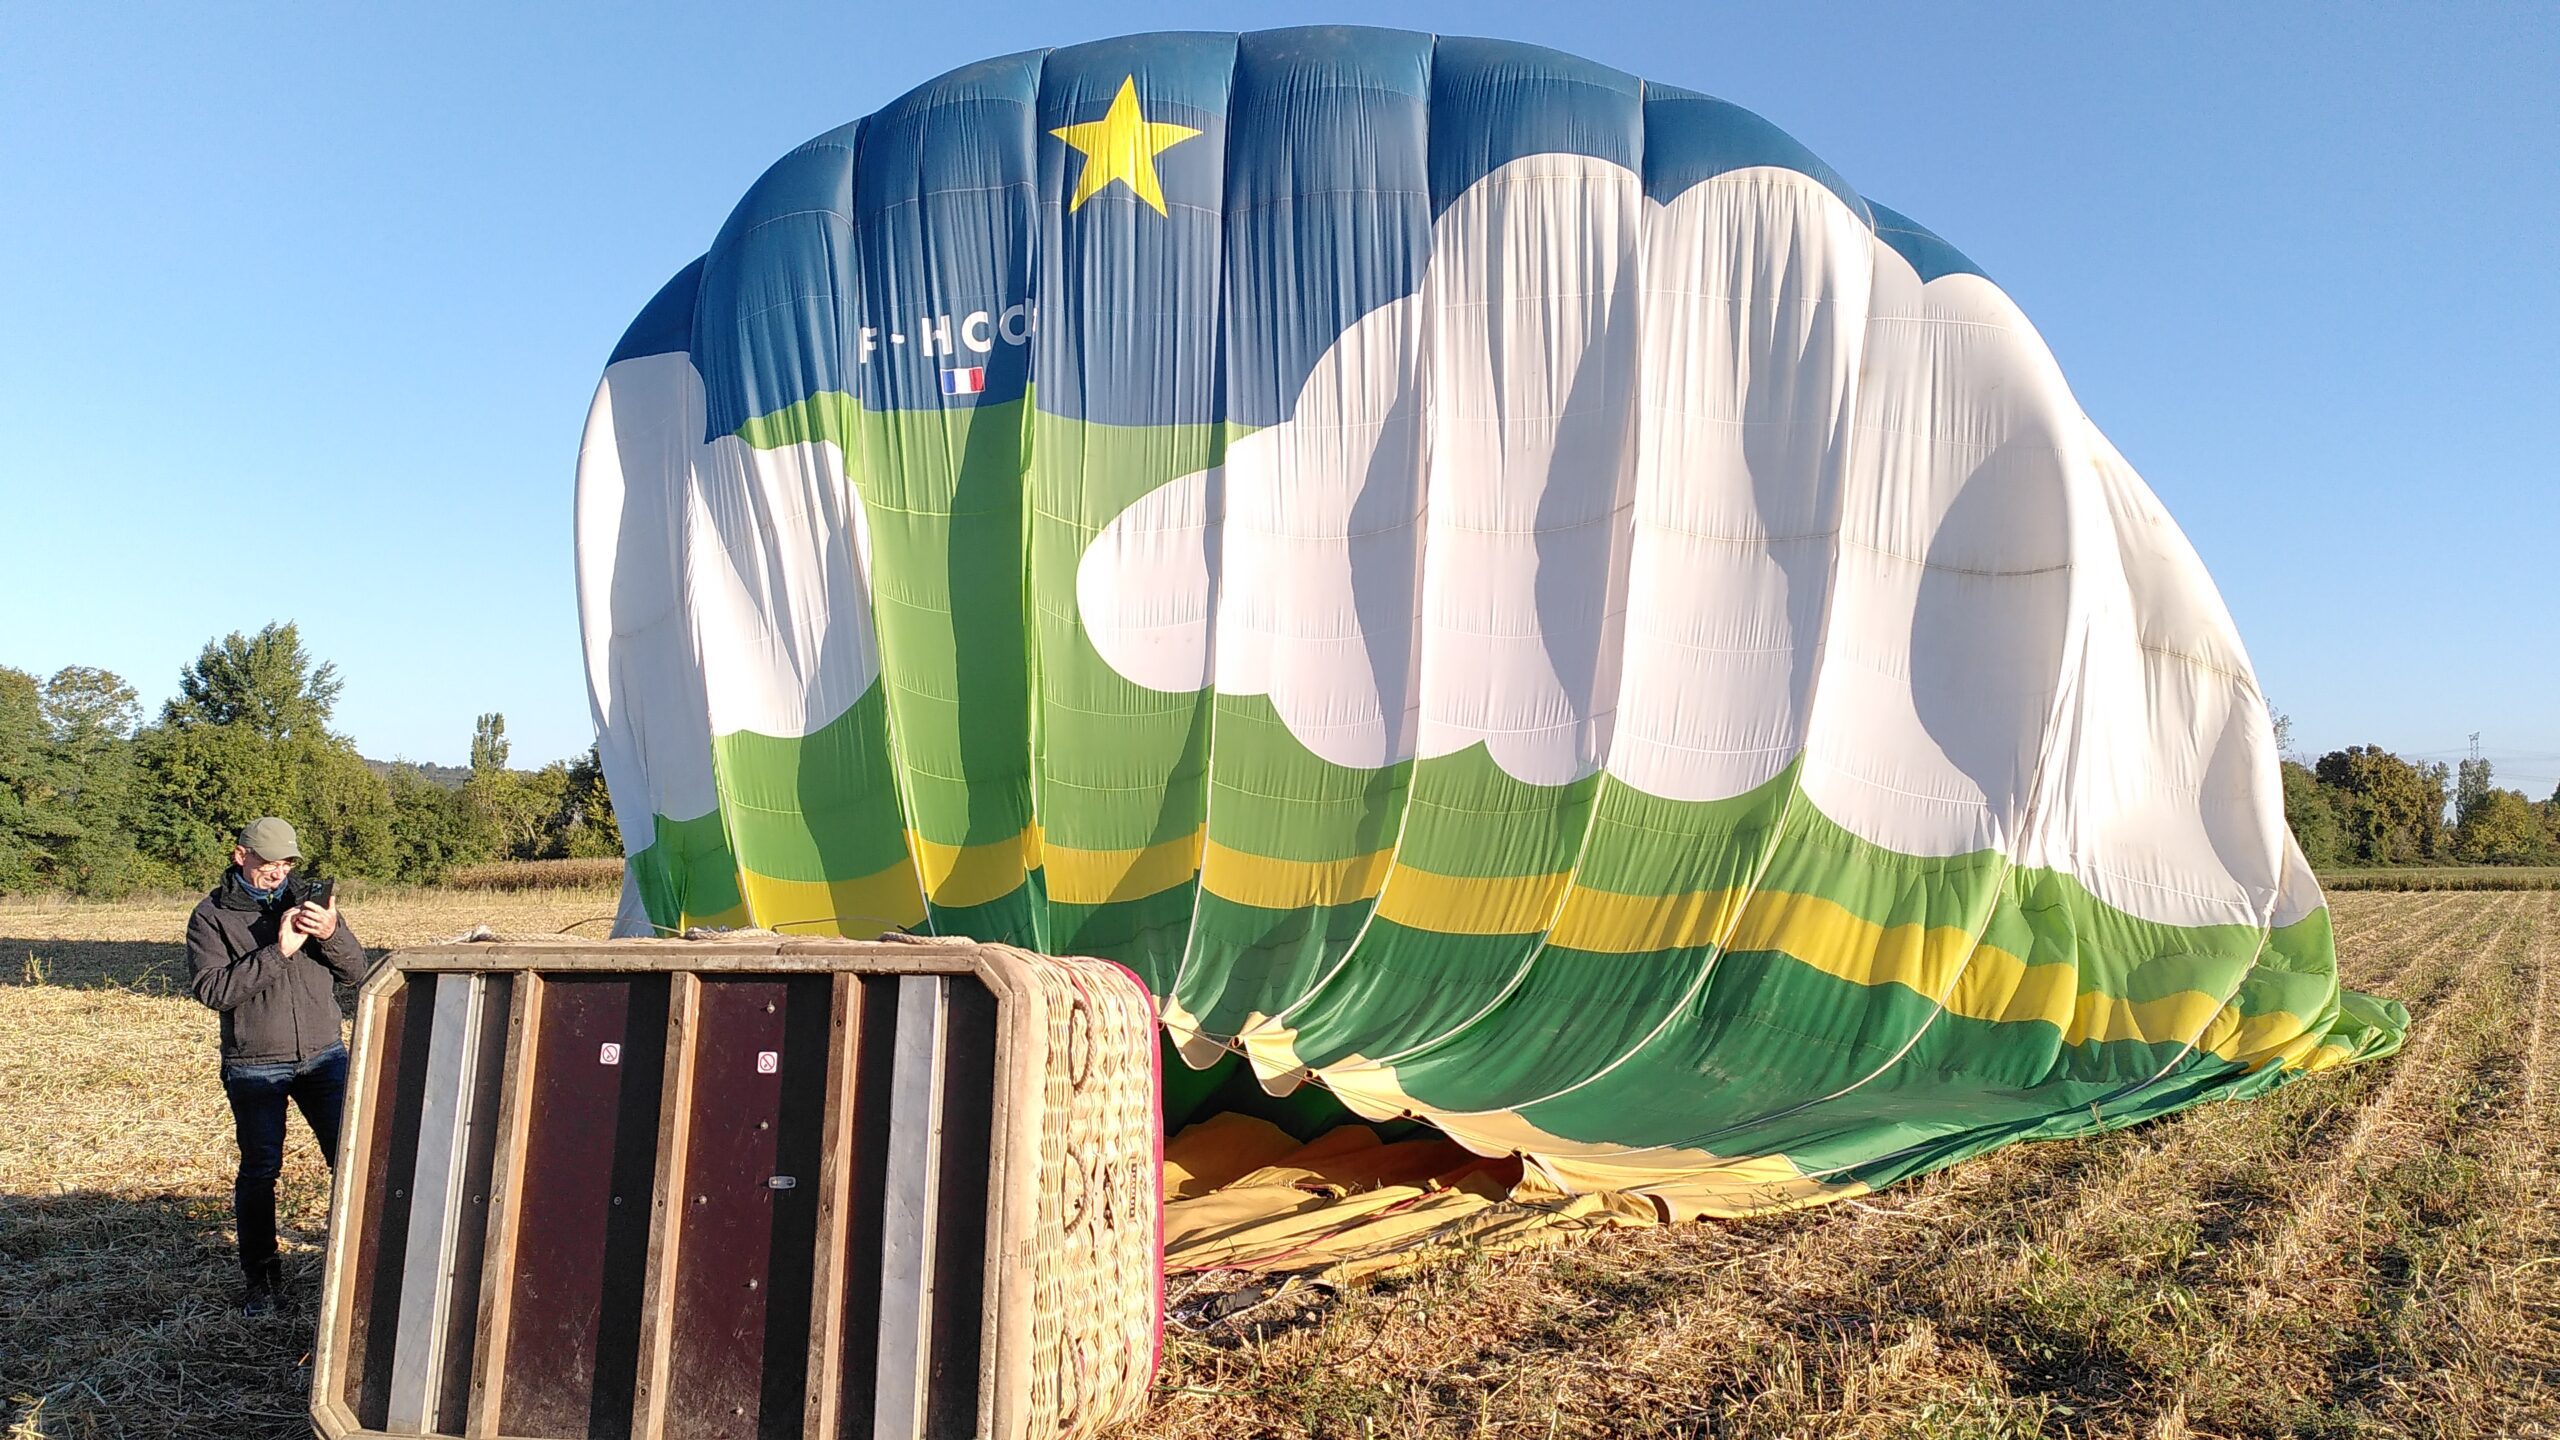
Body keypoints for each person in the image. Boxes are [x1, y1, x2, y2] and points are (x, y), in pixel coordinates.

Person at [185, 816, 369, 1316]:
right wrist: (280, 950)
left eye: (286, 863)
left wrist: (330, 932)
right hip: (254, 1065)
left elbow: (358, 972)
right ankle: (261, 1283)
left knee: (353, 1162)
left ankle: (364, 1269)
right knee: (261, 1170)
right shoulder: (211, 917)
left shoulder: (309, 902)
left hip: (324, 1057)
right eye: (268, 862)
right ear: (239, 855)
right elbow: (213, 990)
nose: (278, 872)